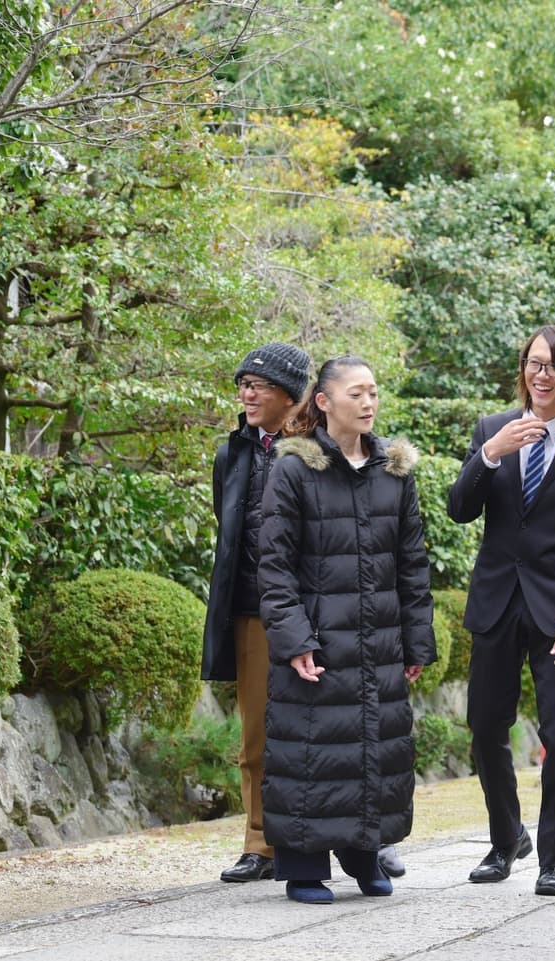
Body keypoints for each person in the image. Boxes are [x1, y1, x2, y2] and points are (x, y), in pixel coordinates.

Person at [447, 324, 555, 897]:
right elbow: (459, 509)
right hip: (497, 600)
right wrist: (489, 456)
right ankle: (506, 840)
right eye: (533, 363)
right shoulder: (492, 430)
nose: (540, 375)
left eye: (554, 366)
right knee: (484, 727)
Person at [257, 355, 436, 904]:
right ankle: (304, 867)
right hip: (318, 641)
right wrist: (294, 639)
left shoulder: (393, 472)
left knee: (374, 746)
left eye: (373, 393)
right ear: (323, 402)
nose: (368, 403)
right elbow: (274, 564)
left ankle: (365, 854)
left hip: (379, 640)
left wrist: (415, 640)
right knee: (312, 749)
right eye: (356, 393)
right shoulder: (293, 470)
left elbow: (412, 562)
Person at [201, 341, 311, 884]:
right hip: (250, 610)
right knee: (254, 737)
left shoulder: (319, 448)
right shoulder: (234, 453)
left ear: (290, 396)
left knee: (317, 730)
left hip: (311, 613)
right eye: (242, 384)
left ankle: (325, 840)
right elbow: (230, 530)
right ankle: (259, 842)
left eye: (258, 385)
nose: (246, 394)